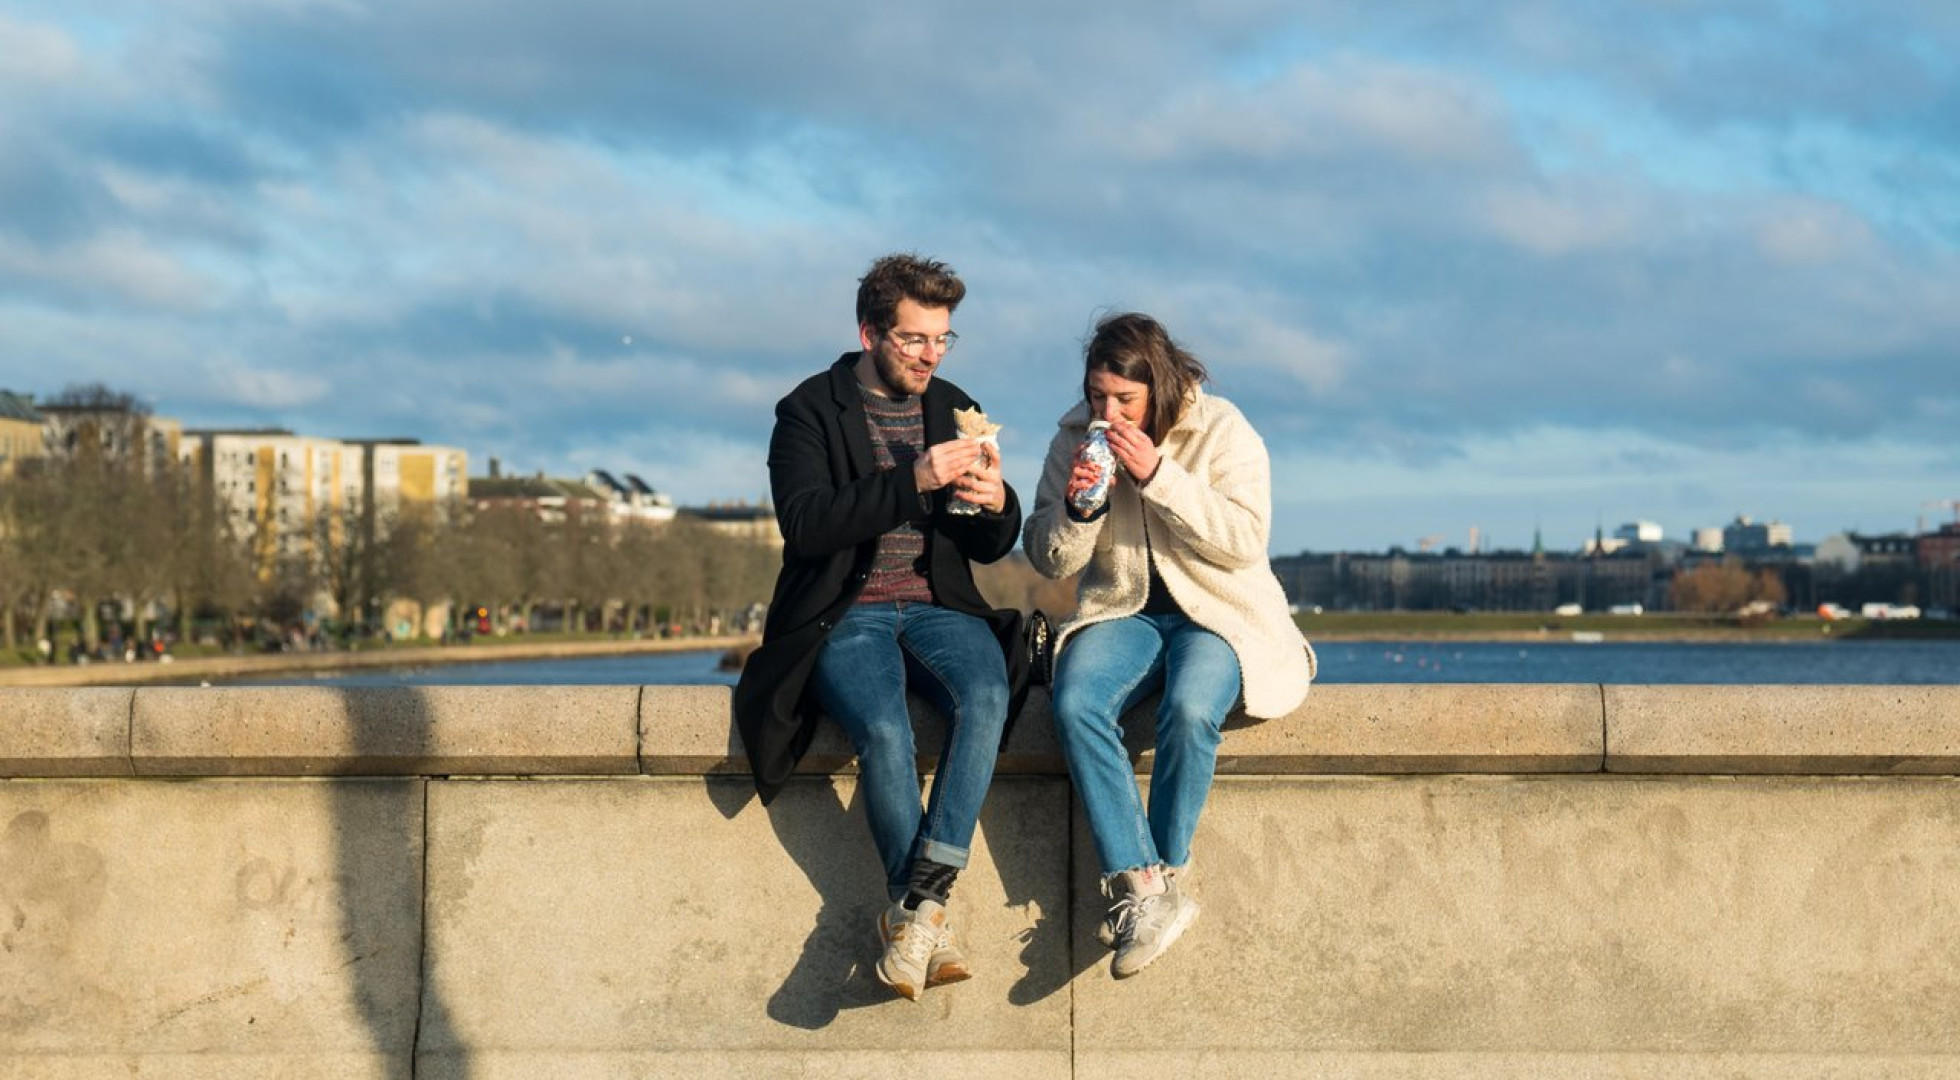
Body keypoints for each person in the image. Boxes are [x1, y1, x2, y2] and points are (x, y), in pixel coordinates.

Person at [733, 253, 1032, 1002]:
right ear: (869, 334)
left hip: (938, 606)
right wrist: (915, 480)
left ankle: (915, 912)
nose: (931, 356)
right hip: (847, 614)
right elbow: (805, 526)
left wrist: (997, 502)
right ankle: (926, 912)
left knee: (987, 698)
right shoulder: (806, 411)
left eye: (943, 339)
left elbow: (990, 544)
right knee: (887, 730)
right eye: (914, 340)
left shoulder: (954, 402)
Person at [1023, 312, 1315, 979]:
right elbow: (1049, 560)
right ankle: (1148, 892)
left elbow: (1244, 537)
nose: (1107, 411)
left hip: (1219, 614)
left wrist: (1159, 476)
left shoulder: (1223, 428)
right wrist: (1078, 511)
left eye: (1123, 399)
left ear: (1155, 385)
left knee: (1189, 709)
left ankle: (1162, 871)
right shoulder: (1073, 438)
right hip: (1121, 611)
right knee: (1075, 703)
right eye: (1098, 396)